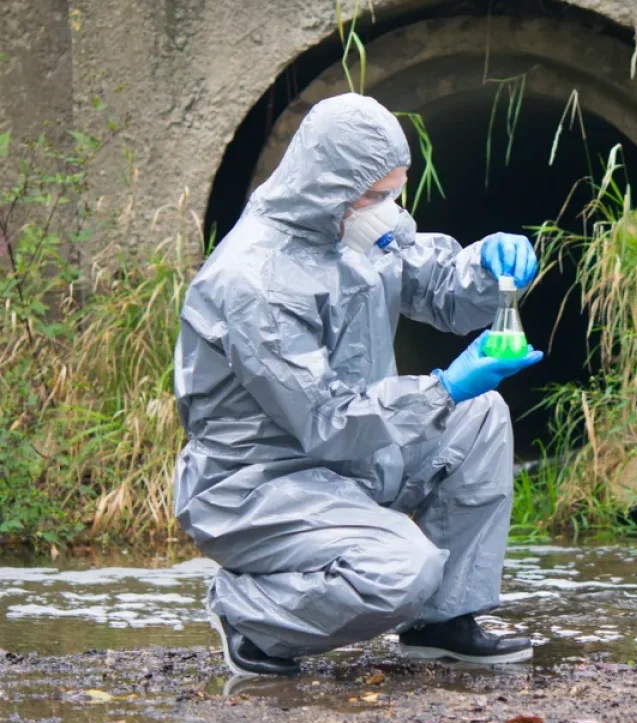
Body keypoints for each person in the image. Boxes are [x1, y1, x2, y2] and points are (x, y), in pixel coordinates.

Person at [172, 92, 543, 677]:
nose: (388, 210)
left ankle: (443, 623)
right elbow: (328, 421)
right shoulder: (254, 280)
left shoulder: (357, 230)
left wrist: (488, 268)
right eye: (375, 196)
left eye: (395, 191)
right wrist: (445, 386)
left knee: (482, 416)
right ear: (327, 186)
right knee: (403, 569)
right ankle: (251, 616)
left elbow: (441, 288)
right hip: (258, 484)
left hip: (348, 462)